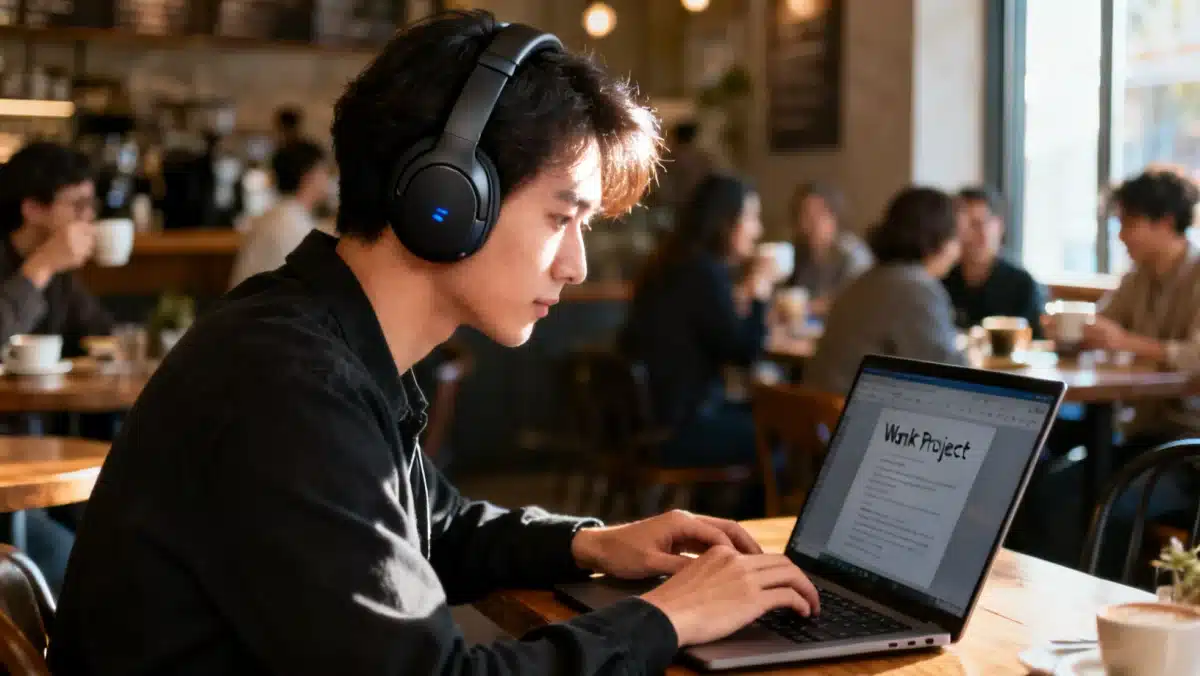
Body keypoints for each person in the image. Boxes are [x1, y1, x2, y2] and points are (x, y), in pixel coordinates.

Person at [49, 13, 820, 675]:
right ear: (448, 199)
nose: (577, 263)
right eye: (561, 218)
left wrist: (594, 544)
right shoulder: (288, 384)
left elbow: (433, 526)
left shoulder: (312, 342)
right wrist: (669, 619)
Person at [1041, 168, 1200, 584]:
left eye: (1129, 223)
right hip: (1140, 438)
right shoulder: (1138, 278)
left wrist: (1124, 341)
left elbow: (1196, 359)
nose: (1122, 236)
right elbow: (1105, 327)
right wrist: (1073, 333)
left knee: (1113, 506)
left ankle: (1101, 614)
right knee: (1051, 490)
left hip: (1187, 451)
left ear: (1166, 223)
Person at [621, 174, 779, 472]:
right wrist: (760, 294)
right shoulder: (703, 273)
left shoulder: (670, 264)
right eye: (752, 218)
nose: (757, 230)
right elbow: (743, 353)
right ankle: (745, 516)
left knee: (771, 417)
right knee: (780, 436)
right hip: (682, 428)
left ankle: (723, 509)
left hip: (657, 422)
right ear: (726, 221)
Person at [804, 186, 964, 395]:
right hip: (858, 418)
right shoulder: (918, 289)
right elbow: (950, 376)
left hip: (820, 415)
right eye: (956, 237)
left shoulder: (863, 280)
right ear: (939, 240)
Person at [0, 141, 113, 349]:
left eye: (91, 204)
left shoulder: (61, 274)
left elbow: (100, 333)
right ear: (33, 209)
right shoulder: (48, 262)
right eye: (79, 205)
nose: (89, 216)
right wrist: (42, 265)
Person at [941, 186, 1045, 335]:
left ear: (999, 226)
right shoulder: (940, 280)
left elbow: (1034, 342)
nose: (969, 234)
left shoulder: (1021, 285)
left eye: (978, 224)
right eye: (962, 226)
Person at [229, 140, 332, 287]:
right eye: (324, 171)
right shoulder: (293, 227)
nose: (327, 179)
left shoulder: (274, 217)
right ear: (309, 176)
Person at [786, 181, 872, 316]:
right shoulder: (800, 254)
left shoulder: (853, 254)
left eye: (820, 214)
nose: (812, 223)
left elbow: (857, 301)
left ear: (835, 217)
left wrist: (808, 307)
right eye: (805, 214)